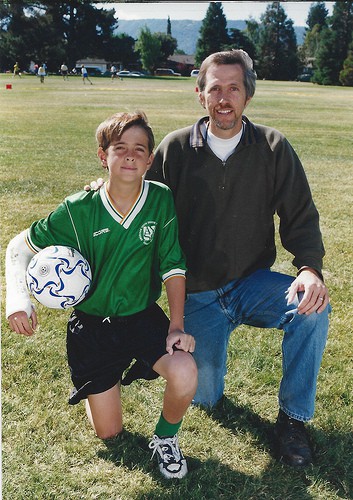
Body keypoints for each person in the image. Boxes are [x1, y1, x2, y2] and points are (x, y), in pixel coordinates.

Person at [145, 50, 330, 468]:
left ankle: (293, 420)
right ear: (200, 94)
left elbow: (300, 214)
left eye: (234, 88)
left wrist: (309, 268)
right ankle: (210, 372)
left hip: (252, 282)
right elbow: (142, 207)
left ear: (248, 95)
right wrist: (103, 191)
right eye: (215, 89)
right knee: (206, 397)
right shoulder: (174, 148)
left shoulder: (272, 146)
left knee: (313, 308)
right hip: (198, 294)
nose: (224, 98)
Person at [5, 111, 197, 480]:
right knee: (109, 432)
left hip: (142, 317)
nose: (129, 156)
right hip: (92, 326)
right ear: (102, 155)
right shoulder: (79, 208)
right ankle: (102, 386)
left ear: (149, 159)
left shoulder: (160, 200)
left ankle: (166, 439)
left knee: (186, 370)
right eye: (120, 148)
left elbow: (173, 265)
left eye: (139, 149)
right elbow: (19, 245)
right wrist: (17, 298)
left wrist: (176, 325)